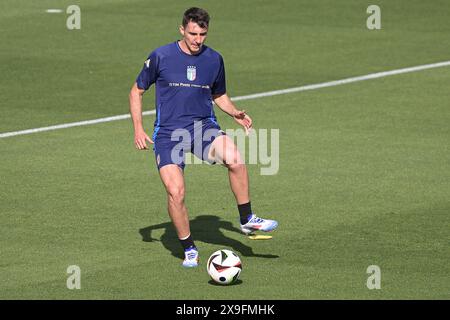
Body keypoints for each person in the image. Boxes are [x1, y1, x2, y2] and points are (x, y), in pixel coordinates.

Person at [129, 7, 278, 268]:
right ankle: (188, 248)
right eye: (193, 33)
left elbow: (218, 94)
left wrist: (234, 113)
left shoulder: (214, 59)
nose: (198, 39)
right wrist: (138, 129)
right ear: (182, 30)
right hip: (169, 133)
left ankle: (247, 219)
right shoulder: (161, 56)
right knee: (176, 192)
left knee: (235, 158)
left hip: (202, 128)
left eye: (203, 34)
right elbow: (136, 91)